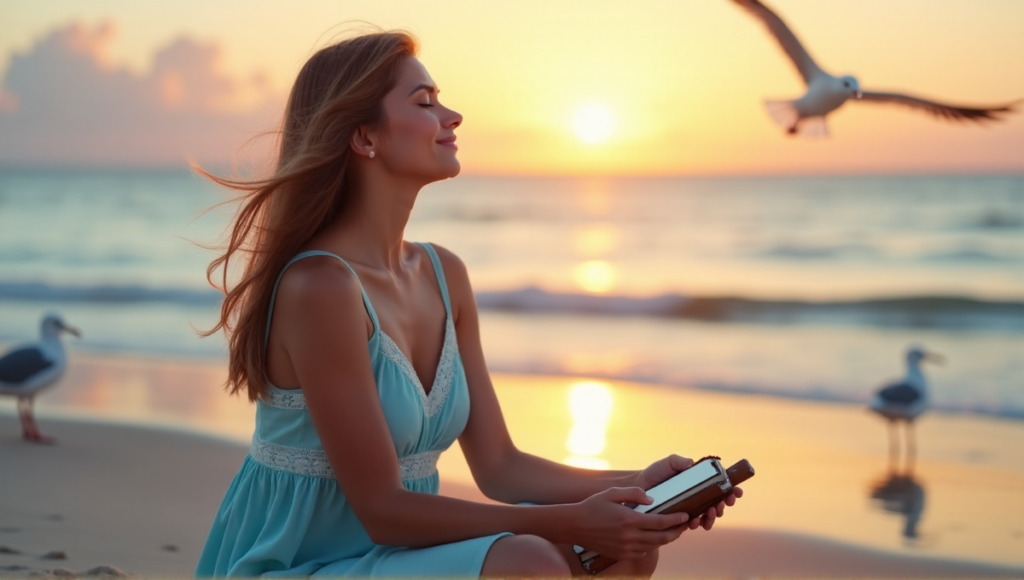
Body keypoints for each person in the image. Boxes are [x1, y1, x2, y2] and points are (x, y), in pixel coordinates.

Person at [194, 29, 741, 578]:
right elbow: (384, 511)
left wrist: (635, 486)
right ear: (364, 137)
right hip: (303, 563)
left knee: (628, 541)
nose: (453, 116)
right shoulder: (321, 288)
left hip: (394, 558)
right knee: (530, 559)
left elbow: (501, 467)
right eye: (425, 103)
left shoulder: (442, 273)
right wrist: (572, 521)